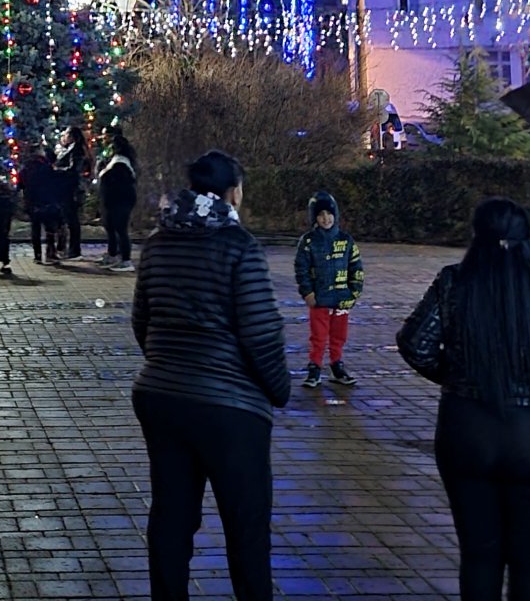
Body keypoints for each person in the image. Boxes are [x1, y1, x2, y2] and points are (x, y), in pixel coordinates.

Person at [397, 198, 530, 601]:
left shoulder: (453, 284)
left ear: (476, 237)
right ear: (528, 240)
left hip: (467, 431)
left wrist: (457, 375)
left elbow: (415, 344)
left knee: (479, 557)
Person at [132, 150, 289, 601]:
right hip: (230, 408)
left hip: (162, 395)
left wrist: (169, 363)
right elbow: (261, 333)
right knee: (246, 524)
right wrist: (279, 390)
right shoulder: (239, 247)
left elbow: (143, 319)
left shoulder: (158, 243)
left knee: (171, 517)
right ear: (232, 192)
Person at [293, 191, 364, 388]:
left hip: (342, 300)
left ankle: (337, 365)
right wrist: (307, 292)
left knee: (339, 335)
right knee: (318, 336)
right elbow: (301, 269)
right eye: (320, 215)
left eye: (329, 214)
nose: (325, 219)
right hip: (319, 299)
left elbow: (356, 268)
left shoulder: (347, 241)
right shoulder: (308, 242)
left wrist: (353, 293)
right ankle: (314, 368)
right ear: (314, 217)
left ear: (336, 215)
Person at [98, 126, 139, 272]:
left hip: (120, 201)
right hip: (116, 201)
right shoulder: (119, 161)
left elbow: (116, 182)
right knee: (112, 228)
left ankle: (126, 260)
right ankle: (113, 254)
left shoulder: (120, 163)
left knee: (121, 229)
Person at [56, 125, 92, 259]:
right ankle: (68, 248)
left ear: (71, 136)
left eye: (65, 134)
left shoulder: (76, 150)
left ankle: (74, 250)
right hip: (68, 188)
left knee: (71, 219)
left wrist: (57, 171)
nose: (63, 137)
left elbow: (74, 170)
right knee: (68, 219)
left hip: (71, 189)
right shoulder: (72, 149)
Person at [22, 151, 63, 264]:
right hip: (47, 202)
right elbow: (55, 184)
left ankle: (37, 255)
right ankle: (50, 253)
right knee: (49, 228)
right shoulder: (48, 168)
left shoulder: (26, 169)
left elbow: (22, 185)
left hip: (32, 202)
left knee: (36, 229)